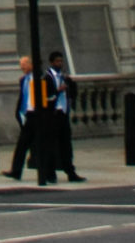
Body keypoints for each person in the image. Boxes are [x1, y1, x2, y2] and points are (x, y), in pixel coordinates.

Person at [46, 51, 85, 182]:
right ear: (51, 63)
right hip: (53, 115)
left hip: (63, 113)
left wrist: (70, 87)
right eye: (57, 61)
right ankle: (50, 174)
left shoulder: (64, 77)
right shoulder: (47, 77)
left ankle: (70, 172)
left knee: (66, 145)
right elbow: (46, 97)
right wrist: (58, 91)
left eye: (61, 61)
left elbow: (73, 93)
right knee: (51, 145)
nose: (60, 64)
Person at [5, 55, 38, 181]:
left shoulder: (39, 78)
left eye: (24, 64)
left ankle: (47, 171)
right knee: (22, 145)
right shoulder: (23, 80)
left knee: (37, 144)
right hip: (26, 115)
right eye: (21, 64)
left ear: (31, 64)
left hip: (36, 115)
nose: (22, 67)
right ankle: (16, 171)